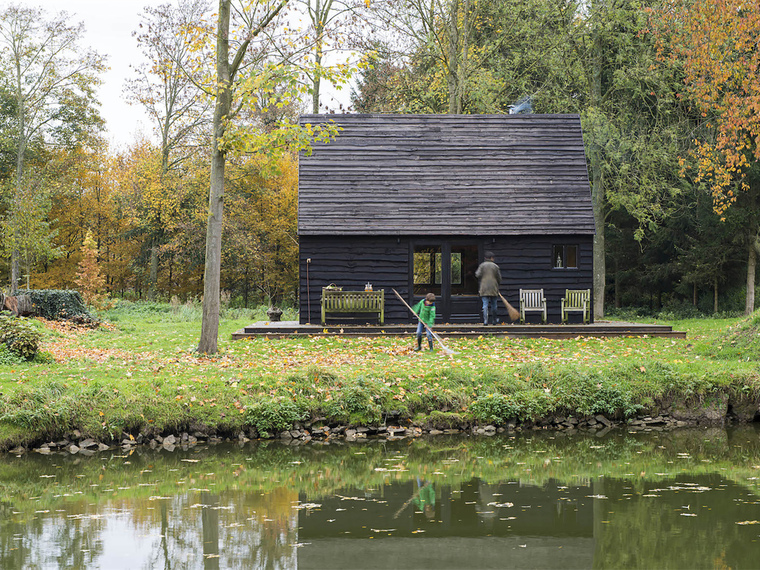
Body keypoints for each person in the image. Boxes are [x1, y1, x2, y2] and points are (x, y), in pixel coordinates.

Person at [475, 251, 502, 325]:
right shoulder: (495, 266)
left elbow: (477, 274)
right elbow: (499, 278)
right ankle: (494, 320)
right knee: (494, 305)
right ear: (492, 258)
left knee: (485, 305)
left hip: (484, 288)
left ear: (485, 258)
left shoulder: (482, 266)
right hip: (493, 288)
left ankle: (485, 321)